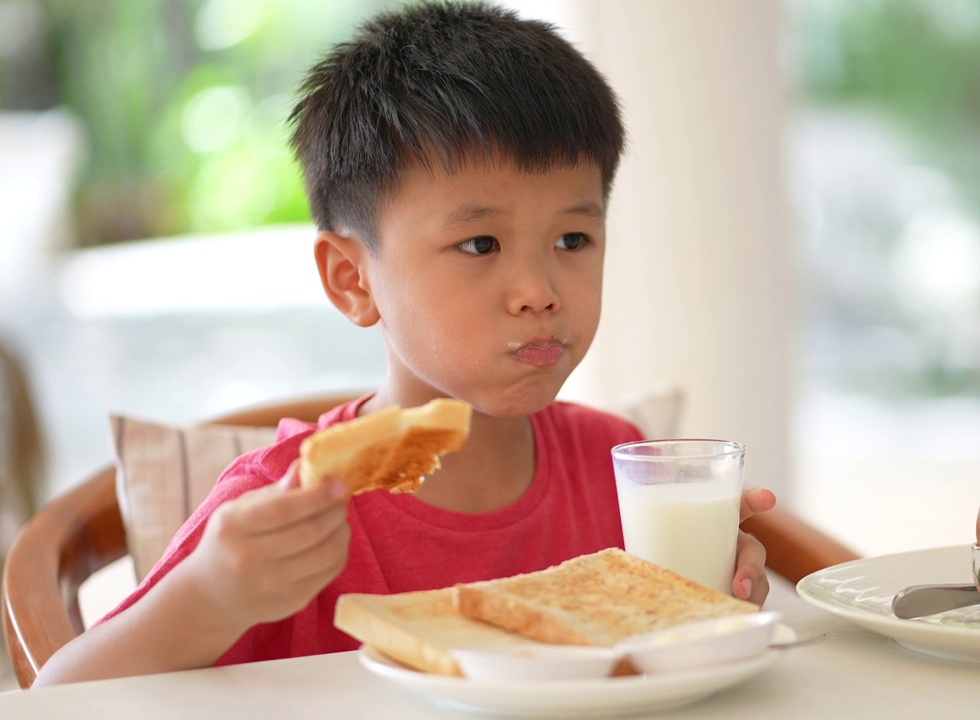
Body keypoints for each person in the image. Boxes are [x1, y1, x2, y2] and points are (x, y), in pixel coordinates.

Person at [35, 0, 776, 686]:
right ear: (352, 278)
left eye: (573, 238)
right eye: (480, 242)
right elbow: (59, 695)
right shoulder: (283, 507)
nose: (539, 289)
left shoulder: (615, 462)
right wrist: (211, 597)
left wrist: (710, 598)